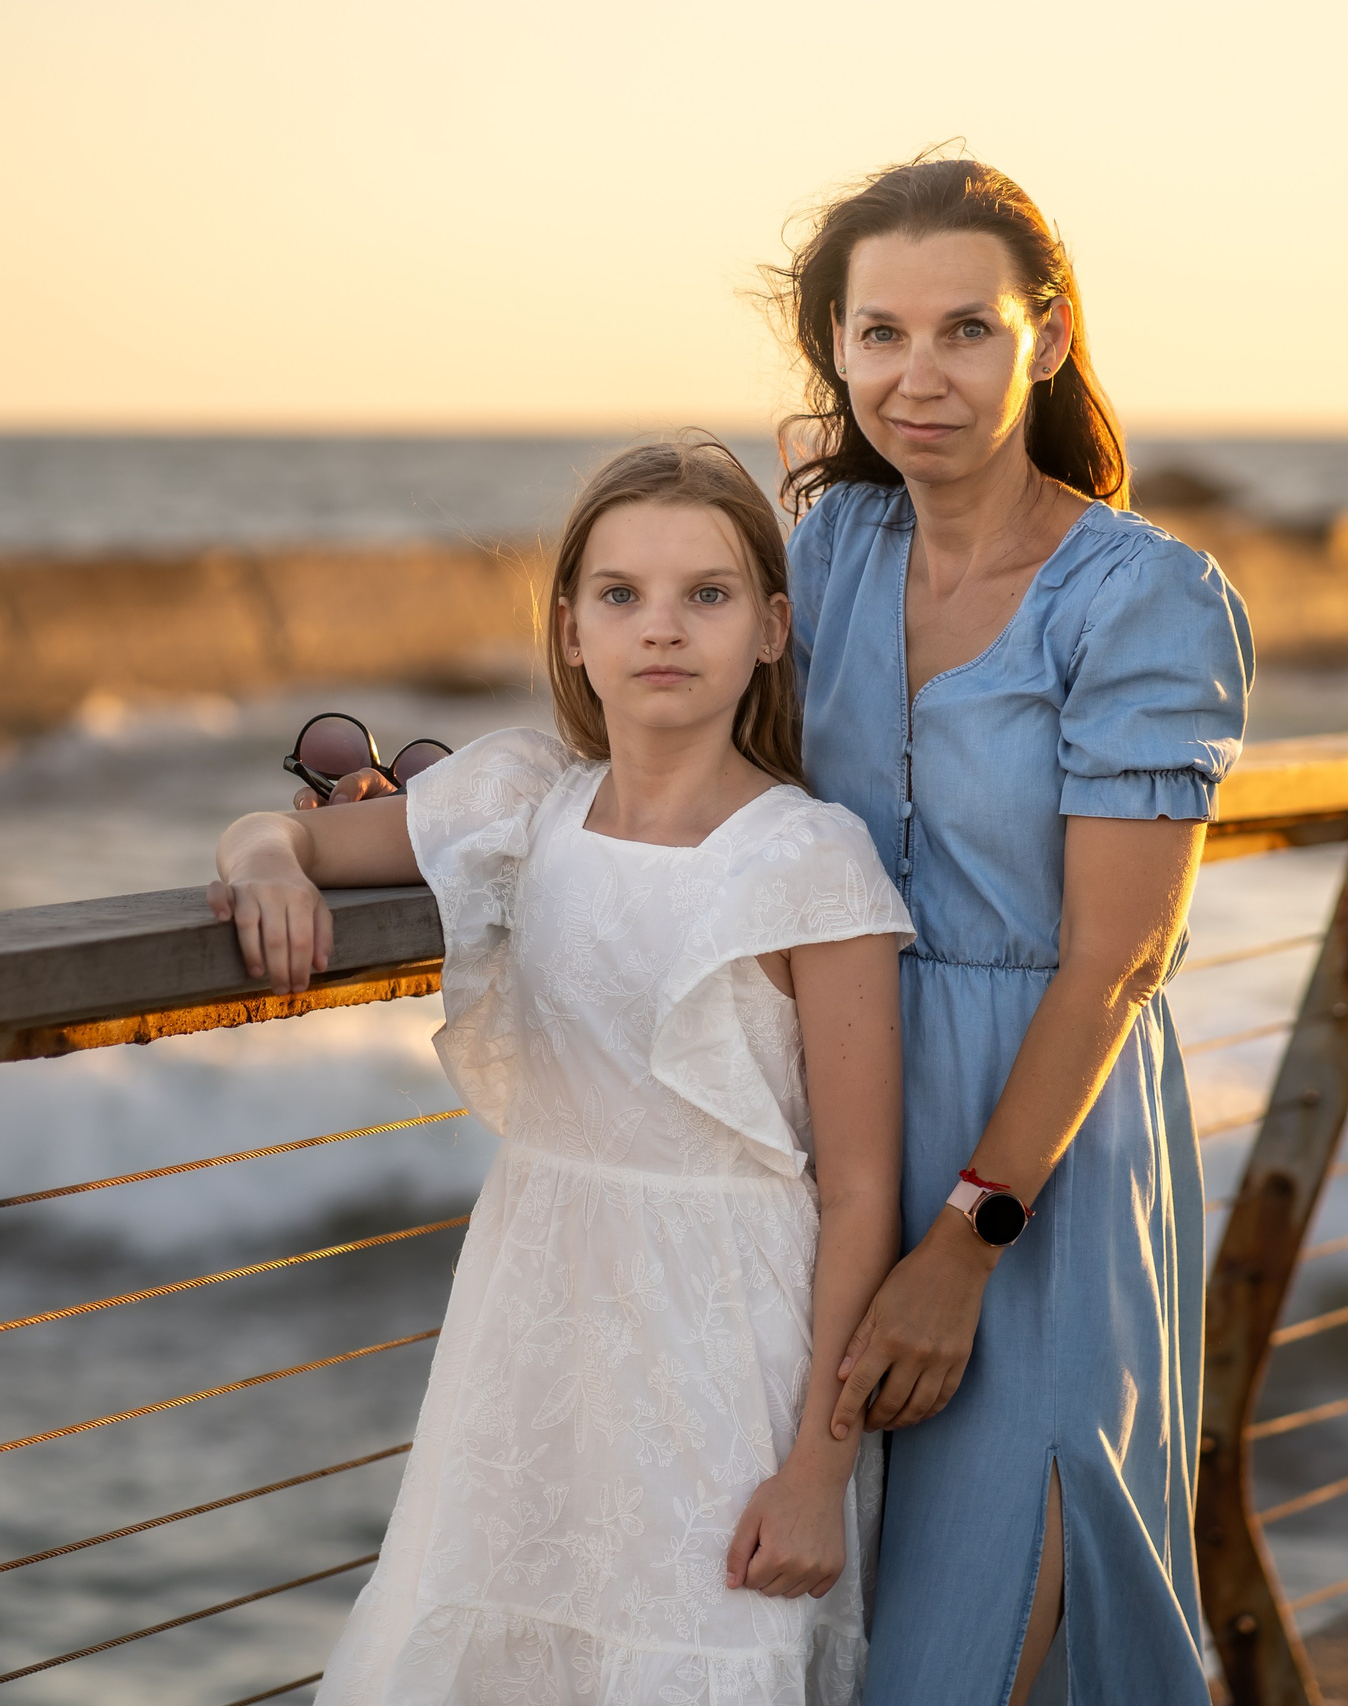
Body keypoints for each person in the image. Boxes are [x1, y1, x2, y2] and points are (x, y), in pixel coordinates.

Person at [209, 438, 915, 1705]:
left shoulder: (812, 859)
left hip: (725, 1351)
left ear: (770, 627)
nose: (662, 627)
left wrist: (817, 1467)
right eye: (620, 593)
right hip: (531, 1319)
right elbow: (284, 833)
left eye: (706, 593)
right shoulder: (525, 803)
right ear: (571, 629)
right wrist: (265, 864)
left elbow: (863, 1190)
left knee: (695, 1652)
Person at [780, 157, 1253, 1704]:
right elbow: (658, 757)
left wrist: (963, 1245)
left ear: (1044, 337)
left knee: (978, 1635)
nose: (917, 377)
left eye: (966, 330)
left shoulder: (1146, 598)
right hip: (842, 1123)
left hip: (1040, 1154)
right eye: (880, 333)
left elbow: (1117, 960)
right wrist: (322, 826)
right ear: (836, 346)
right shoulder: (829, 552)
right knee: (841, 1625)